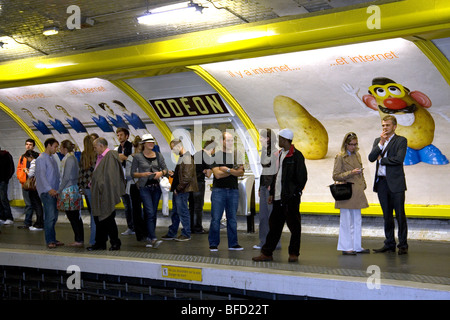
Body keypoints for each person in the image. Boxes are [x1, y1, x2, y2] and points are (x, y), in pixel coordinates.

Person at [253, 129, 307, 263]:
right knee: (275, 226)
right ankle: (267, 253)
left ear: (285, 139)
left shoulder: (296, 156)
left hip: (290, 198)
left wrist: (295, 193)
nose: (279, 141)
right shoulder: (278, 155)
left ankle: (293, 253)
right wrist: (272, 193)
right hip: (278, 198)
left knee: (294, 226)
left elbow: (302, 177)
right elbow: (274, 175)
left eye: (280, 138)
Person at [368, 115, 408, 255]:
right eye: (383, 125)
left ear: (394, 126)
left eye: (388, 125)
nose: (385, 128)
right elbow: (371, 158)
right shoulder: (377, 141)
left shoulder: (401, 140)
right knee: (387, 215)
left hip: (396, 183)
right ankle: (389, 243)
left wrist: (383, 159)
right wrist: (380, 144)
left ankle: (402, 244)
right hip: (382, 183)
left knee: (400, 215)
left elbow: (399, 159)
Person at [332, 132, 370, 255]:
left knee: (357, 220)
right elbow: (335, 176)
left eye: (355, 144)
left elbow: (361, 172)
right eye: (351, 144)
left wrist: (363, 184)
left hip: (357, 191)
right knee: (346, 221)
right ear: (346, 144)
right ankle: (346, 246)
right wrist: (350, 173)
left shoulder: (357, 155)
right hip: (346, 193)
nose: (353, 147)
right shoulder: (340, 157)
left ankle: (356, 246)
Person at [208, 132, 245, 252]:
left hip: (233, 190)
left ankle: (233, 244)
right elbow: (217, 175)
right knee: (216, 218)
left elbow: (241, 173)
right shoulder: (215, 156)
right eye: (227, 140)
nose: (230, 143)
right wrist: (233, 171)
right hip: (219, 190)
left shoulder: (237, 155)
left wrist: (227, 169)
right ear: (222, 141)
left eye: (231, 140)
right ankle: (213, 243)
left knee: (232, 218)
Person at [131, 133, 168, 248]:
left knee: (152, 213)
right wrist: (143, 174)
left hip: (156, 188)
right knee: (150, 212)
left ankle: (150, 236)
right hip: (144, 188)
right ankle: (152, 238)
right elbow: (132, 173)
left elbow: (165, 169)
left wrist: (161, 173)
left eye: (152, 142)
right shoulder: (137, 157)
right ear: (144, 144)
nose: (151, 144)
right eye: (149, 142)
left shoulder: (158, 155)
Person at [88, 137, 125, 251]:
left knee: (108, 218)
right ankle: (100, 243)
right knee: (99, 219)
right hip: (98, 192)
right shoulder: (100, 157)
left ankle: (115, 243)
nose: (94, 150)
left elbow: (111, 177)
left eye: (95, 147)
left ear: (101, 146)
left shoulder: (110, 156)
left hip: (105, 192)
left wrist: (101, 186)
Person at [162, 139, 198, 241]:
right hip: (180, 190)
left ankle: (186, 233)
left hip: (182, 190)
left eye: (173, 149)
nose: (173, 151)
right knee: (176, 212)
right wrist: (174, 174)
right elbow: (183, 175)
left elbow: (187, 177)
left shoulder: (186, 158)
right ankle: (172, 232)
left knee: (182, 212)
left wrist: (178, 188)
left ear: (178, 147)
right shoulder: (183, 158)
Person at [253, 129, 280, 250]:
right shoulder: (264, 152)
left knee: (271, 216)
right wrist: (260, 187)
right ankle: (263, 241)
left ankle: (274, 242)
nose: (261, 140)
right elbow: (264, 171)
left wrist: (272, 188)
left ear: (268, 139)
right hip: (264, 186)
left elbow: (276, 172)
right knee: (263, 216)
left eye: (262, 138)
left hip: (270, 188)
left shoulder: (275, 153)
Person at [35, 138, 63, 249]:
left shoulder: (52, 159)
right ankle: (50, 240)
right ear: (49, 145)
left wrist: (57, 189)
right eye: (55, 146)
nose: (56, 149)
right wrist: (49, 189)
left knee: (54, 217)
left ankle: (53, 238)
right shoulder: (41, 159)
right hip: (47, 193)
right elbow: (41, 176)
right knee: (50, 216)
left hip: (54, 192)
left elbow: (55, 176)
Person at [57, 140, 84, 247]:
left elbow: (66, 177)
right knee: (75, 216)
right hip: (72, 189)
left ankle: (78, 239)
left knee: (73, 217)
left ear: (65, 148)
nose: (59, 149)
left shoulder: (69, 159)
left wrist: (59, 190)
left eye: (60, 147)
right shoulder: (72, 158)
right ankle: (78, 238)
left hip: (69, 190)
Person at [189, 139, 215, 234]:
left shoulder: (196, 154)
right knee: (198, 206)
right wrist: (209, 169)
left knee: (192, 206)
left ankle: (191, 227)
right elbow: (208, 174)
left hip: (190, 183)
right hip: (199, 183)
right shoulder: (206, 157)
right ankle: (197, 228)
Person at [126, 136, 147, 242]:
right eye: (139, 149)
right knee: (136, 211)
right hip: (135, 186)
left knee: (147, 210)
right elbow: (128, 174)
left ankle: (146, 231)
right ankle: (139, 233)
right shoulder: (131, 158)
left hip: (144, 185)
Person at [115, 127, 134, 236]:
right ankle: (130, 226)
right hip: (122, 179)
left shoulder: (131, 147)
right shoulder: (118, 149)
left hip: (130, 179)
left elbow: (133, 159)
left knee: (133, 204)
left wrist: (124, 157)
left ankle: (136, 225)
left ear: (127, 136)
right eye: (118, 135)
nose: (119, 137)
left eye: (121, 135)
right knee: (126, 204)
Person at [78, 134, 96, 245]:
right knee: (97, 214)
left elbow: (81, 172)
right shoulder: (96, 155)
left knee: (92, 213)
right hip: (95, 186)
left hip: (86, 187)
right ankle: (94, 240)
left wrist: (80, 186)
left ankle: (93, 239)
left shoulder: (83, 155)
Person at [16, 139, 37, 228]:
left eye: (30, 144)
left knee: (35, 203)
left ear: (33, 146)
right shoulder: (22, 157)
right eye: (27, 144)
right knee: (28, 204)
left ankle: (34, 222)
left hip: (35, 184)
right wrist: (21, 179)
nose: (28, 146)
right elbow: (19, 169)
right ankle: (27, 222)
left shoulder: (37, 156)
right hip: (25, 183)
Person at [20, 150, 44, 231]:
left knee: (36, 205)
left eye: (27, 158)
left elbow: (31, 174)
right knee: (39, 205)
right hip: (40, 186)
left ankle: (39, 224)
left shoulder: (34, 162)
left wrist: (26, 170)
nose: (28, 160)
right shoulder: (40, 160)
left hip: (35, 187)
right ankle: (40, 222)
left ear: (30, 157)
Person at [0, 147, 15, 226]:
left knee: (3, 198)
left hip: (3, 180)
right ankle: (2, 217)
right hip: (3, 180)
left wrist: (6, 178)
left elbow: (11, 168)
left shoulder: (6, 155)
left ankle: (9, 217)